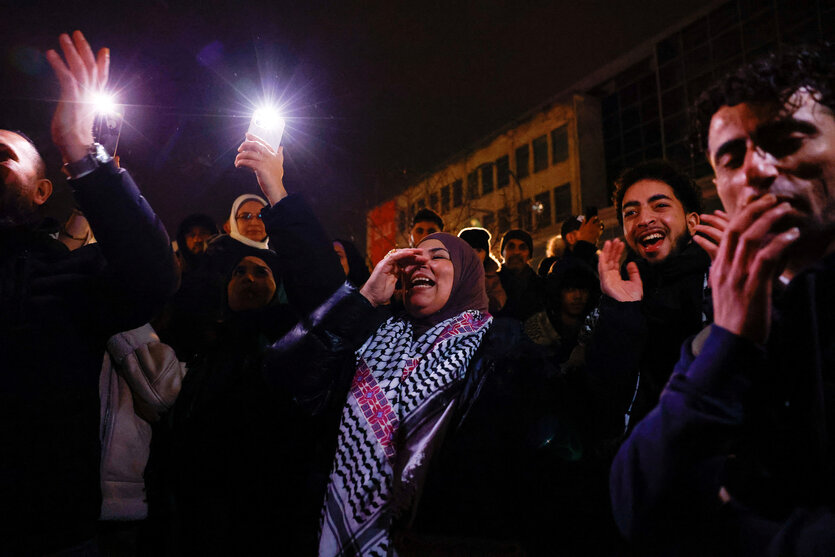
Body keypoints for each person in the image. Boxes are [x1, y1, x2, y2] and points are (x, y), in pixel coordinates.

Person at [610, 43, 835, 556]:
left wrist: (741, 529)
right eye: (732, 158)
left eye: (788, 140)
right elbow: (640, 505)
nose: (756, 171)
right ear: (719, 185)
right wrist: (728, 346)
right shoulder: (728, 329)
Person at [266, 233, 592, 554]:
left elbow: (550, 464)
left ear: (467, 273)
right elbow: (290, 386)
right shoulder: (370, 334)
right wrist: (364, 299)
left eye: (438, 256)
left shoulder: (505, 348)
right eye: (413, 260)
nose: (422, 264)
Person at [0, 31, 178, 555]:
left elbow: (152, 277)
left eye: (4, 154)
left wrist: (83, 153)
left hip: (48, 530)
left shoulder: (71, 274)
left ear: (41, 189)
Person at [583, 160, 710, 436]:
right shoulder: (617, 295)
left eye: (660, 205)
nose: (643, 220)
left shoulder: (719, 285)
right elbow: (600, 403)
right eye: (631, 213)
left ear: (692, 222)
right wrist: (621, 313)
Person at [497, 228, 545, 321]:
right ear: (502, 253)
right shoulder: (490, 285)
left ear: (529, 254)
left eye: (522, 248)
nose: (516, 252)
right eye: (511, 247)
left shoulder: (541, 287)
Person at [458, 226, 507, 314]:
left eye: (479, 250)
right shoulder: (451, 273)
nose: (473, 254)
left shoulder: (491, 277)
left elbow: (498, 302)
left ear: (486, 254)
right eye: (468, 250)